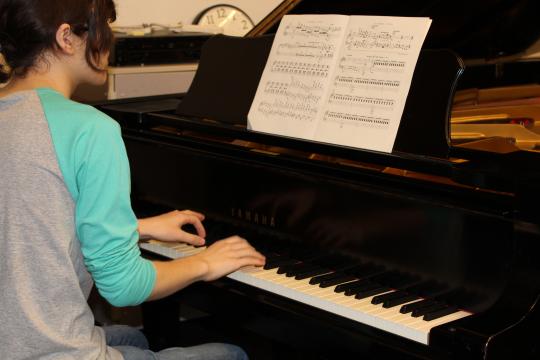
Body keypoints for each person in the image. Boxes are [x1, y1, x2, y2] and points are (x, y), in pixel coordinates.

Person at [0, 0, 266, 359]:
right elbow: (123, 286)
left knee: (134, 338)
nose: (109, 40)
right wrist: (205, 263)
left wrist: (138, 227)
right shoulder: (90, 130)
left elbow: (27, 218)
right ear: (67, 38)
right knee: (234, 353)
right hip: (50, 352)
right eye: (102, 28)